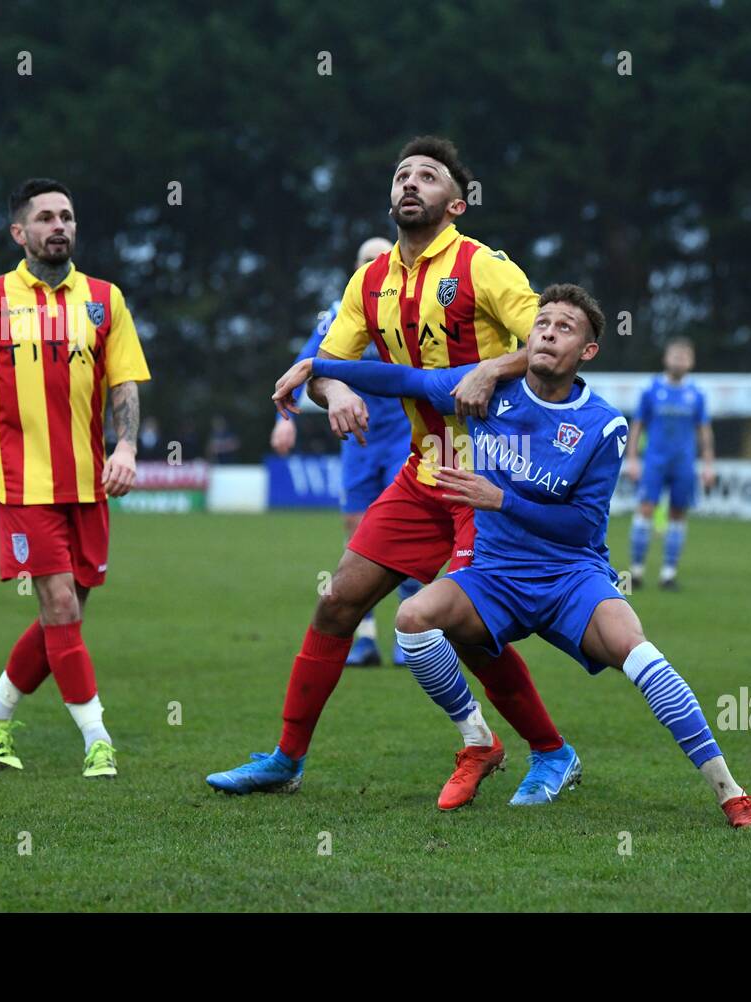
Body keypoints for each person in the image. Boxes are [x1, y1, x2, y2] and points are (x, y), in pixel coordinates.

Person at [273, 284, 751, 827]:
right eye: (543, 324)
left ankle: (731, 793)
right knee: (414, 618)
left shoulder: (603, 424)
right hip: (495, 577)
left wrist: (501, 499)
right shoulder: (483, 392)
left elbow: (582, 525)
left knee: (639, 653)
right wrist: (314, 366)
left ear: (587, 352)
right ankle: (478, 741)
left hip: (570, 576)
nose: (549, 333)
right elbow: (404, 380)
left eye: (565, 328)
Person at [207, 137, 571, 810]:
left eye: (427, 176)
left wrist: (492, 369)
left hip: (489, 477)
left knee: (468, 628)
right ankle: (286, 759)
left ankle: (550, 752)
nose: (410, 182)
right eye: (402, 174)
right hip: (422, 471)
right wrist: (335, 392)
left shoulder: (482, 267)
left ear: (455, 202)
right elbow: (327, 366)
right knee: (338, 601)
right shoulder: (369, 282)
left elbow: (550, 341)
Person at [0, 177, 151, 777]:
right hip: (24, 487)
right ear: (20, 232)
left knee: (63, 616)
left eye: (67, 217)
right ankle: (98, 739)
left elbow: (124, 381)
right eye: (45, 218)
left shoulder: (104, 299)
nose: (59, 227)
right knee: (61, 606)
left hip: (90, 485)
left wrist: (125, 446)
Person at [272, 236, 422, 666]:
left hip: (405, 439)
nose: (374, 265)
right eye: (365, 260)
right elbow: (305, 364)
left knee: (402, 533)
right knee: (357, 535)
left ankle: (408, 634)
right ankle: (366, 638)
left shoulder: (410, 309)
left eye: (381, 258)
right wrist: (284, 421)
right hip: (356, 442)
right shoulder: (341, 314)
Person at [623, 339, 715, 590]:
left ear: (692, 362)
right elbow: (637, 425)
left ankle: (668, 574)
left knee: (677, 515)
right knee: (645, 511)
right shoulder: (651, 390)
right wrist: (632, 459)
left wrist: (708, 465)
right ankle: (636, 571)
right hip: (654, 461)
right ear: (666, 359)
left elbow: (704, 430)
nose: (680, 360)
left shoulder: (696, 394)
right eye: (676, 355)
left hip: (683, 464)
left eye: (685, 356)